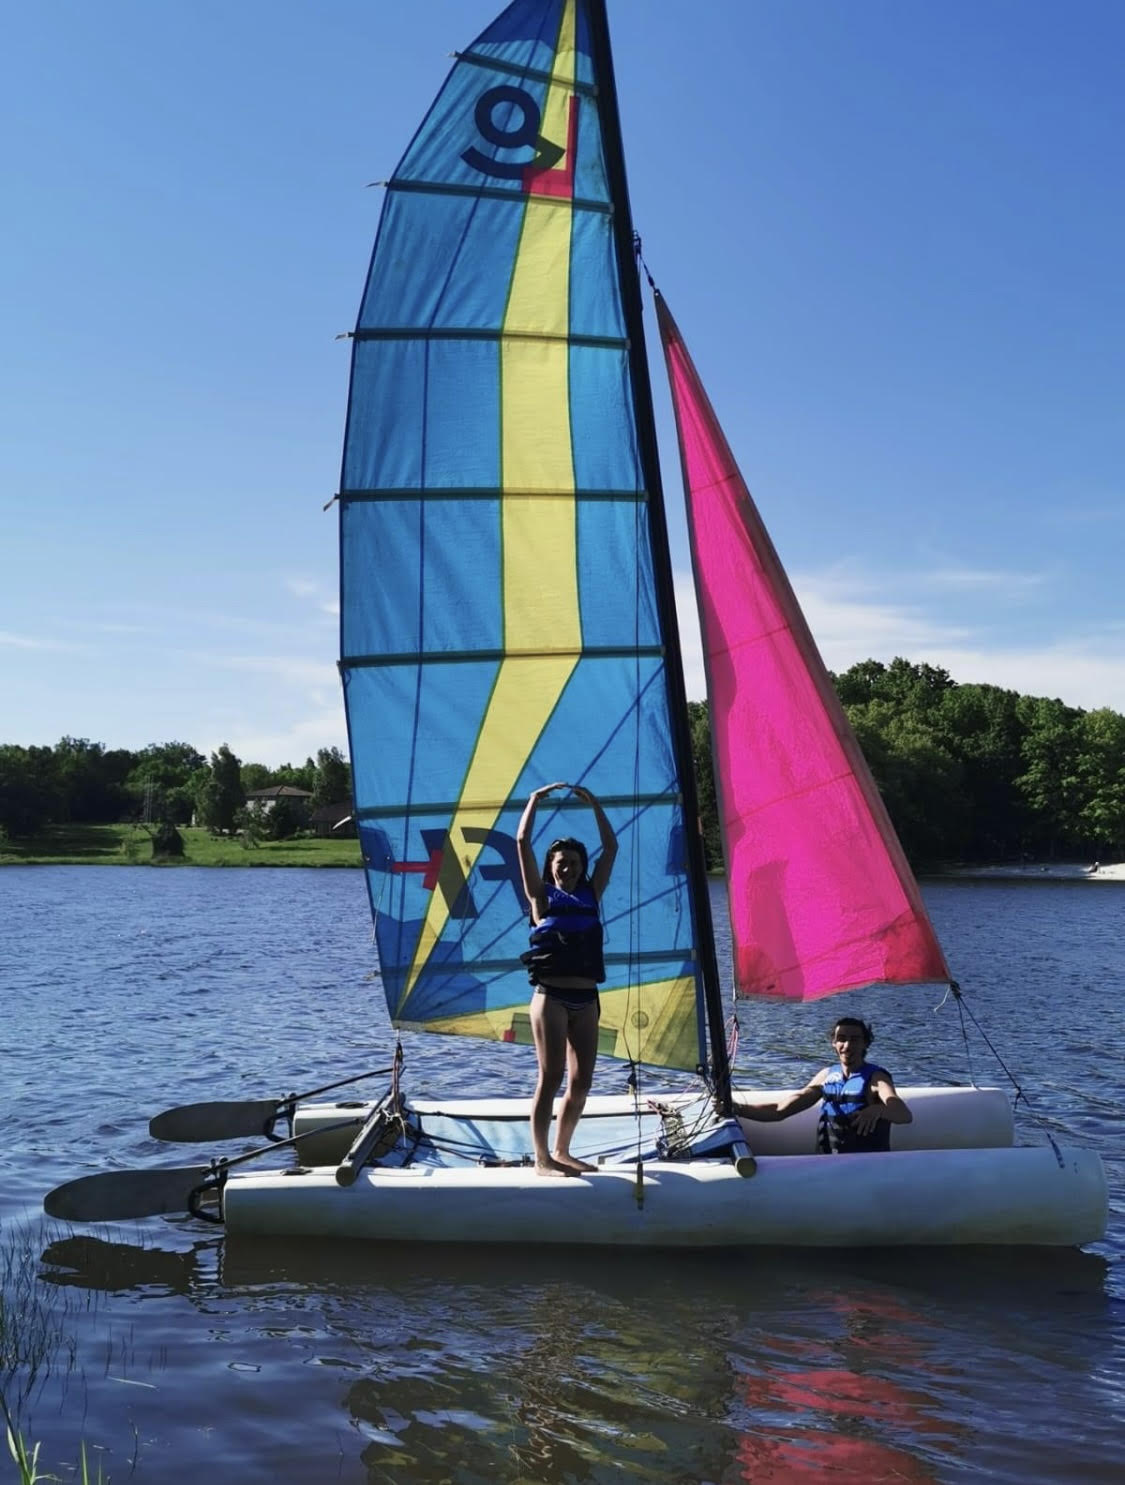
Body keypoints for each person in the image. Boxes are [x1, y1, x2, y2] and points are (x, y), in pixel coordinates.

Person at [517, 781, 618, 1175]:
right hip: (552, 999)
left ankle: (562, 1151)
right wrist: (533, 801)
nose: (568, 868)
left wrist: (594, 803)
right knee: (551, 1076)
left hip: (587, 1000)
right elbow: (522, 842)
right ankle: (541, 1159)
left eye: (575, 862)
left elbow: (611, 847)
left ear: (582, 867)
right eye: (561, 862)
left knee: (582, 1081)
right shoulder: (540, 896)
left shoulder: (593, 893)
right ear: (551, 866)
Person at [736, 1017, 912, 1153]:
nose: (847, 1045)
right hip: (826, 1162)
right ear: (834, 1043)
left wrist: (878, 1109)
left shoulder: (876, 1078)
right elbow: (779, 1111)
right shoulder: (826, 1076)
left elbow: (903, 1114)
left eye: (855, 1039)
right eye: (841, 1039)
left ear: (865, 1043)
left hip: (865, 1164)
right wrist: (737, 1109)